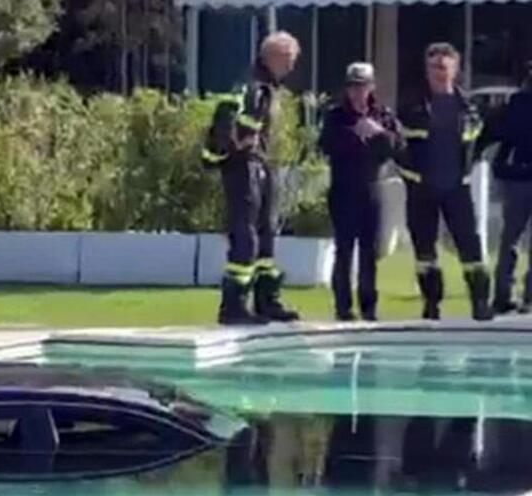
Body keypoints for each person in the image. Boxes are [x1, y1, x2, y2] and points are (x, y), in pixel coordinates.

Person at [202, 31, 302, 325]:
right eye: (289, 60)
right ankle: (233, 304)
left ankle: (266, 299)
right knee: (245, 234)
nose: (292, 67)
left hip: (261, 163)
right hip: (244, 166)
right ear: (275, 57)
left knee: (266, 231)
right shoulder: (252, 86)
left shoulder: (265, 86)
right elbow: (232, 124)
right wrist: (238, 145)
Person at [397, 43, 493, 321]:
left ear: (455, 69)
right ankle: (431, 304)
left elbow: (480, 142)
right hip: (422, 189)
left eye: (443, 66)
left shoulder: (469, 108)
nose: (438, 72)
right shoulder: (411, 107)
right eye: (433, 67)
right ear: (426, 71)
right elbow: (396, 145)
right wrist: (410, 176)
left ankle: (479, 303)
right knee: (424, 252)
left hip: (456, 188)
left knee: (471, 249)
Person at [319, 63, 402, 321]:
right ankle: (343, 308)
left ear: (371, 87)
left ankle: (369, 308)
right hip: (344, 189)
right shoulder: (335, 115)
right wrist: (354, 134)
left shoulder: (383, 115)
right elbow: (326, 144)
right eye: (353, 86)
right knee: (344, 250)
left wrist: (378, 134)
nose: (358, 91)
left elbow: (399, 146)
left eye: (362, 85)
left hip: (372, 189)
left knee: (369, 252)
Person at [492, 61, 532, 314]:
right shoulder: (516, 105)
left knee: (510, 240)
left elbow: (500, 139)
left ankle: (505, 294)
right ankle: (524, 297)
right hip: (519, 176)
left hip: (516, 175)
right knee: (511, 240)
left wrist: (501, 168)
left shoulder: (513, 105)